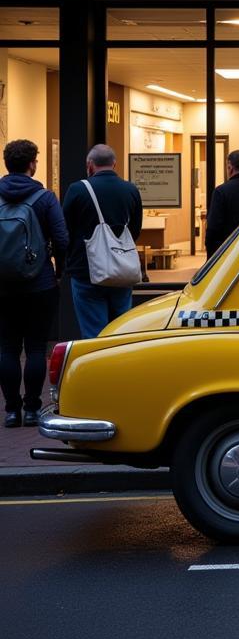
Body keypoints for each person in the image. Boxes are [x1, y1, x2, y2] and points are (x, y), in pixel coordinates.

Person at [0, 140, 69, 428]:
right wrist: (58, 271)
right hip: (39, 283)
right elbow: (62, 238)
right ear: (32, 164)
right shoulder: (45, 198)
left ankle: (11, 410)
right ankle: (31, 409)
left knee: (7, 348)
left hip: (2, 285)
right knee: (37, 348)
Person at [62, 144, 143, 340]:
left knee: (93, 333)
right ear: (114, 164)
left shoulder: (77, 190)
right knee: (121, 329)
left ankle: (97, 367)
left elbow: (66, 230)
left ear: (90, 165)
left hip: (86, 270)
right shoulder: (131, 190)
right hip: (121, 270)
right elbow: (135, 230)